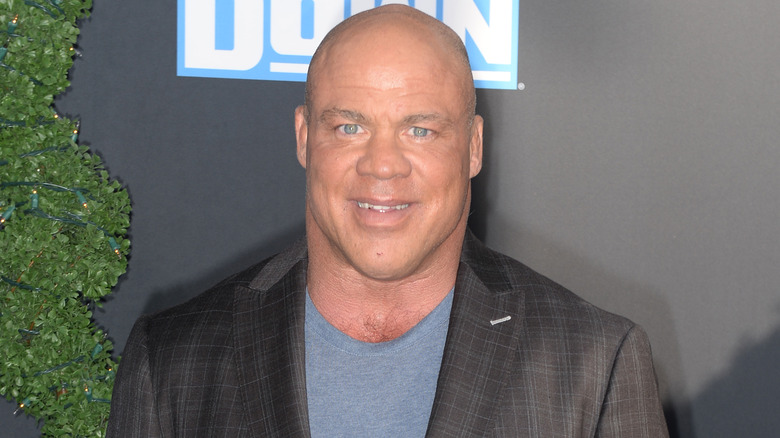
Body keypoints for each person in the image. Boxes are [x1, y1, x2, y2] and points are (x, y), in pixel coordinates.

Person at [107, 5, 668, 437]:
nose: (381, 165)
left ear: (473, 148)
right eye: (349, 127)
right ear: (304, 137)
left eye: (420, 130)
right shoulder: (173, 359)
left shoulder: (594, 363)